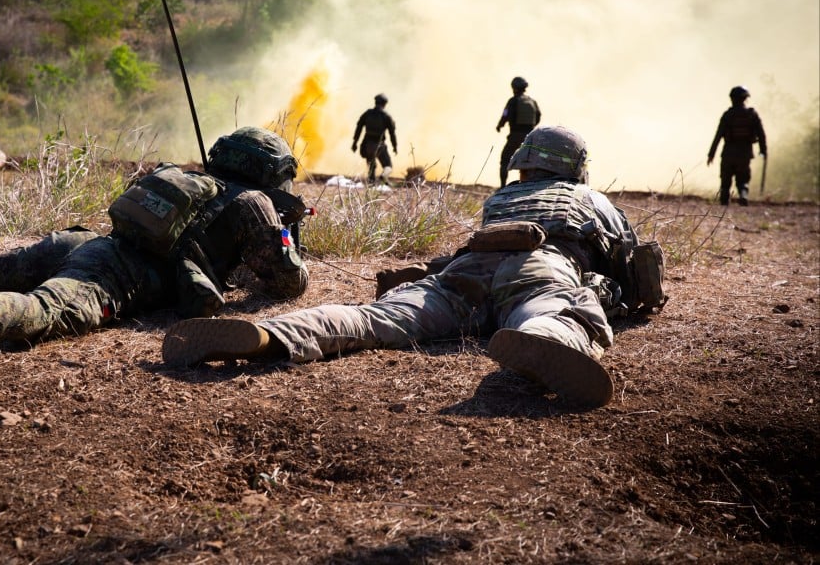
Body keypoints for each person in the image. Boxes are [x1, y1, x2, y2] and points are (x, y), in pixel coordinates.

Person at [162, 126, 667, 408]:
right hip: (543, 267)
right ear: (575, 168)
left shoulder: (503, 198)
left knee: (373, 318)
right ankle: (548, 341)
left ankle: (271, 335)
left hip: (464, 271)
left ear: (525, 165)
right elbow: (632, 267)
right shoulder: (591, 199)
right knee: (557, 310)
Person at [0, 127, 310, 382]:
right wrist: (287, 234)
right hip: (122, 272)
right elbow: (288, 283)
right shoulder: (254, 203)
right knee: (48, 310)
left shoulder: (187, 176)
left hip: (88, 241)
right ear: (270, 170)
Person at [707, 86, 767, 206]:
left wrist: (711, 154)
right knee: (743, 180)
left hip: (728, 152)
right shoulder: (752, 115)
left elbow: (718, 136)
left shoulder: (728, 115)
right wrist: (763, 150)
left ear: (732, 99)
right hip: (745, 153)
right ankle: (743, 196)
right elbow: (761, 135)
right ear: (745, 99)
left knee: (725, 181)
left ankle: (724, 202)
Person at [495, 76, 542, 188]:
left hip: (515, 136)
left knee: (505, 160)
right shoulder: (532, 101)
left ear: (514, 88)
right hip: (530, 137)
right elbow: (538, 116)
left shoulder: (513, 101)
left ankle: (502, 187)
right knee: (530, 162)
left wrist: (500, 126)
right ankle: (530, 186)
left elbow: (505, 115)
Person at [351, 93, 398, 184]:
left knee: (371, 167)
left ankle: (371, 185)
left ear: (375, 102)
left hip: (368, 145)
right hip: (380, 145)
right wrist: (395, 146)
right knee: (388, 166)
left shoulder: (367, 114)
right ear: (384, 104)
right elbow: (392, 133)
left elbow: (359, 127)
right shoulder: (386, 117)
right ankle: (384, 176)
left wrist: (355, 143)